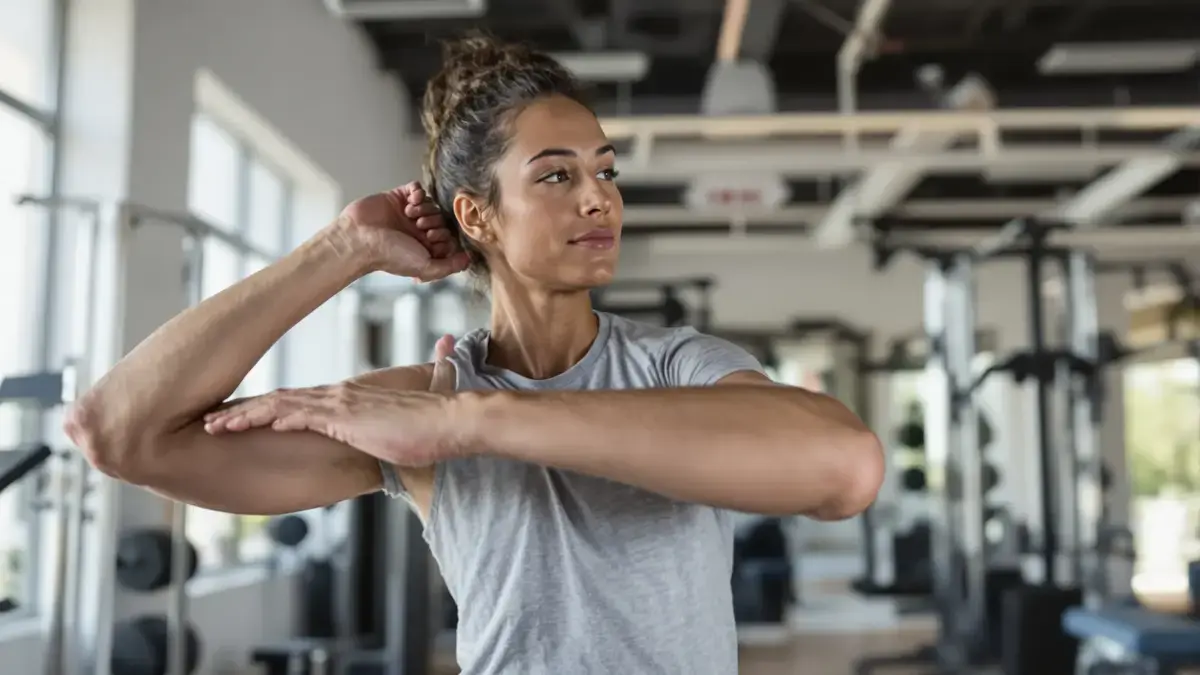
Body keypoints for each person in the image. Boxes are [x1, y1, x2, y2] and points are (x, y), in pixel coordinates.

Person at [66, 35, 883, 675]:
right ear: (478, 216)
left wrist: (473, 422)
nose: (599, 198)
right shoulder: (420, 402)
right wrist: (341, 247)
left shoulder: (677, 366)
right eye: (556, 176)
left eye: (605, 171)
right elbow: (119, 432)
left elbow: (845, 468)